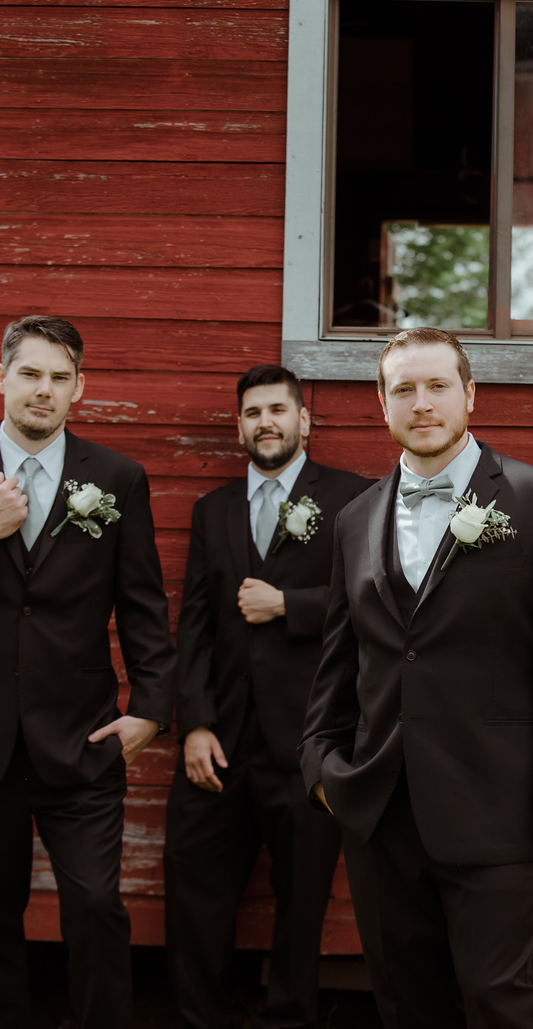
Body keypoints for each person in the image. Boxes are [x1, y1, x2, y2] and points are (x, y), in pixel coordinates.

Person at [300, 327, 533, 1029]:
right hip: (379, 805)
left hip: (495, 804)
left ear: (470, 394)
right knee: (407, 1004)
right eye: (403, 388)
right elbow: (340, 659)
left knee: (498, 997)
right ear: (382, 404)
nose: (422, 401)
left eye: (438, 385)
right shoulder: (354, 520)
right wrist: (321, 765)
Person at [0, 316, 175, 1029]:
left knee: (95, 906)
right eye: (30, 373)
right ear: (1, 378)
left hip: (81, 741)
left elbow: (141, 604)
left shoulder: (116, 479)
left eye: (58, 377)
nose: (42, 389)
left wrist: (151, 708)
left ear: (79, 387)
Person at [164, 364, 371, 1028]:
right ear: (239, 426)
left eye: (278, 410)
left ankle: (288, 1017)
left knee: (302, 900)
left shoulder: (352, 499)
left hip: (308, 742)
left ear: (304, 420)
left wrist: (292, 604)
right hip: (218, 742)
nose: (266, 423)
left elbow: (376, 602)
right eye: (253, 413)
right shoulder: (212, 510)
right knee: (195, 894)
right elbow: (193, 625)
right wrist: (194, 722)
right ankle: (200, 1017)